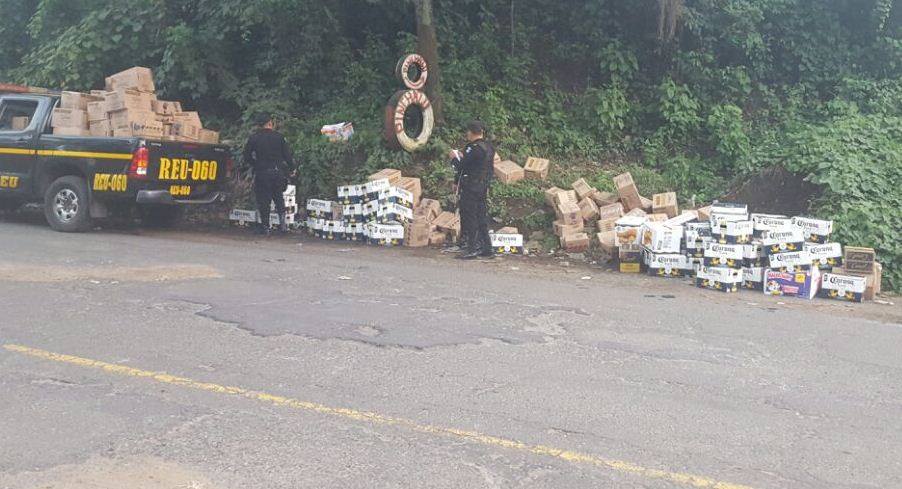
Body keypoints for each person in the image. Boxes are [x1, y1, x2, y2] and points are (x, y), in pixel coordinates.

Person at [243, 113, 296, 235]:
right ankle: (283, 225)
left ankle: (266, 227)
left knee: (264, 200)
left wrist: (255, 164)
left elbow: (246, 156)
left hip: (262, 172)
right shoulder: (279, 137)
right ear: (270, 123)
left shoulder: (254, 138)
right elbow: (287, 155)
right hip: (278, 172)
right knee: (278, 197)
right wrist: (292, 169)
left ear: (258, 125)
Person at [449, 120, 495, 260]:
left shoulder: (473, 148)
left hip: (471, 186)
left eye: (468, 131)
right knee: (481, 216)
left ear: (471, 132)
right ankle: (487, 248)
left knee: (470, 217)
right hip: (483, 186)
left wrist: (453, 159)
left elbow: (462, 166)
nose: (467, 134)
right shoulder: (489, 147)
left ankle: (471, 248)